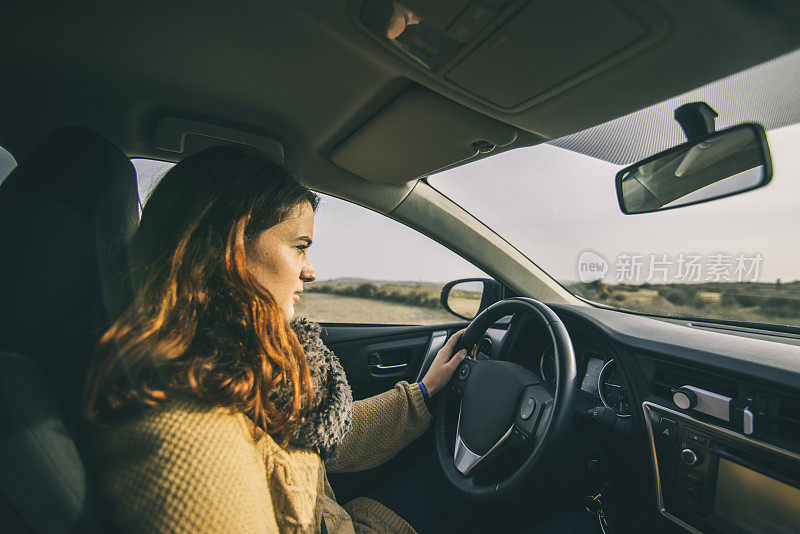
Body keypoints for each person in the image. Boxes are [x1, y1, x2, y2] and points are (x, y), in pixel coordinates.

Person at [83, 145, 468, 533]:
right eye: (300, 246)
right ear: (229, 247)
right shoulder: (193, 438)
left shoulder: (235, 363)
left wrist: (424, 391)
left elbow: (329, 437)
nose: (311, 271)